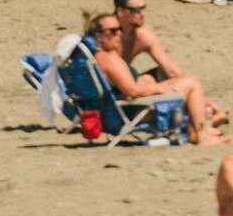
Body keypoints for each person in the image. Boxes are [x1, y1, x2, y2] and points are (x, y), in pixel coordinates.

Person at [88, 12, 224, 144]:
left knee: (160, 78)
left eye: (119, 29)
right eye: (113, 31)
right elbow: (132, 92)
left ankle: (195, 130)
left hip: (120, 110)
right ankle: (203, 135)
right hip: (134, 112)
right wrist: (161, 87)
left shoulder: (97, 58)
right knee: (191, 83)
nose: (119, 34)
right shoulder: (109, 59)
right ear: (99, 37)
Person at [113, 0, 227, 124]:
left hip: (128, 84)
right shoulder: (107, 35)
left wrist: (202, 100)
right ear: (120, 11)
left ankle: (204, 110)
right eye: (136, 10)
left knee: (162, 75)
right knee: (147, 81)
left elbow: (171, 71)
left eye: (144, 8)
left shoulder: (142, 34)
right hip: (114, 93)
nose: (142, 14)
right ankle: (204, 115)